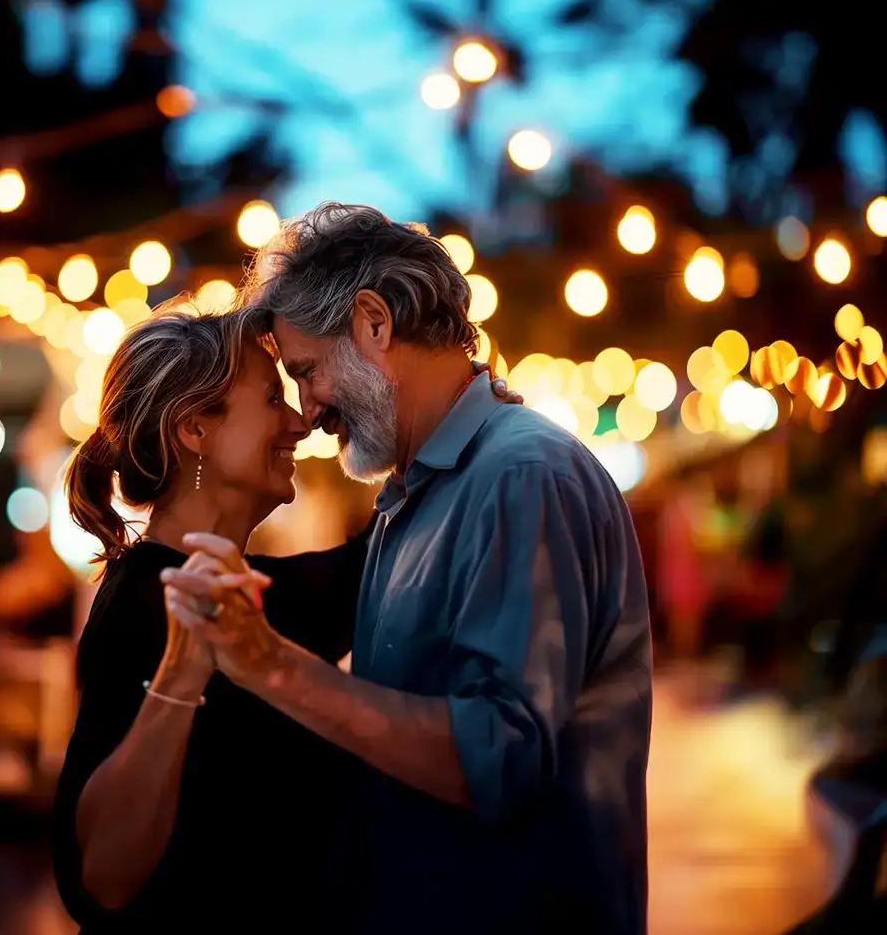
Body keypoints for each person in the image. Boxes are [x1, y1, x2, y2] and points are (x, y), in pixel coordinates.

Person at [163, 203, 653, 934]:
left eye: (306, 371)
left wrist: (273, 665)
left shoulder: (521, 476)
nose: (307, 411)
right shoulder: (416, 496)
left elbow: (501, 758)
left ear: (374, 323)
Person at [52, 309, 369, 931]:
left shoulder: (243, 594)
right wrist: (182, 669)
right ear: (194, 427)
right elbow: (99, 879)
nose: (300, 422)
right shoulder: (148, 607)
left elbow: (378, 561)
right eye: (273, 397)